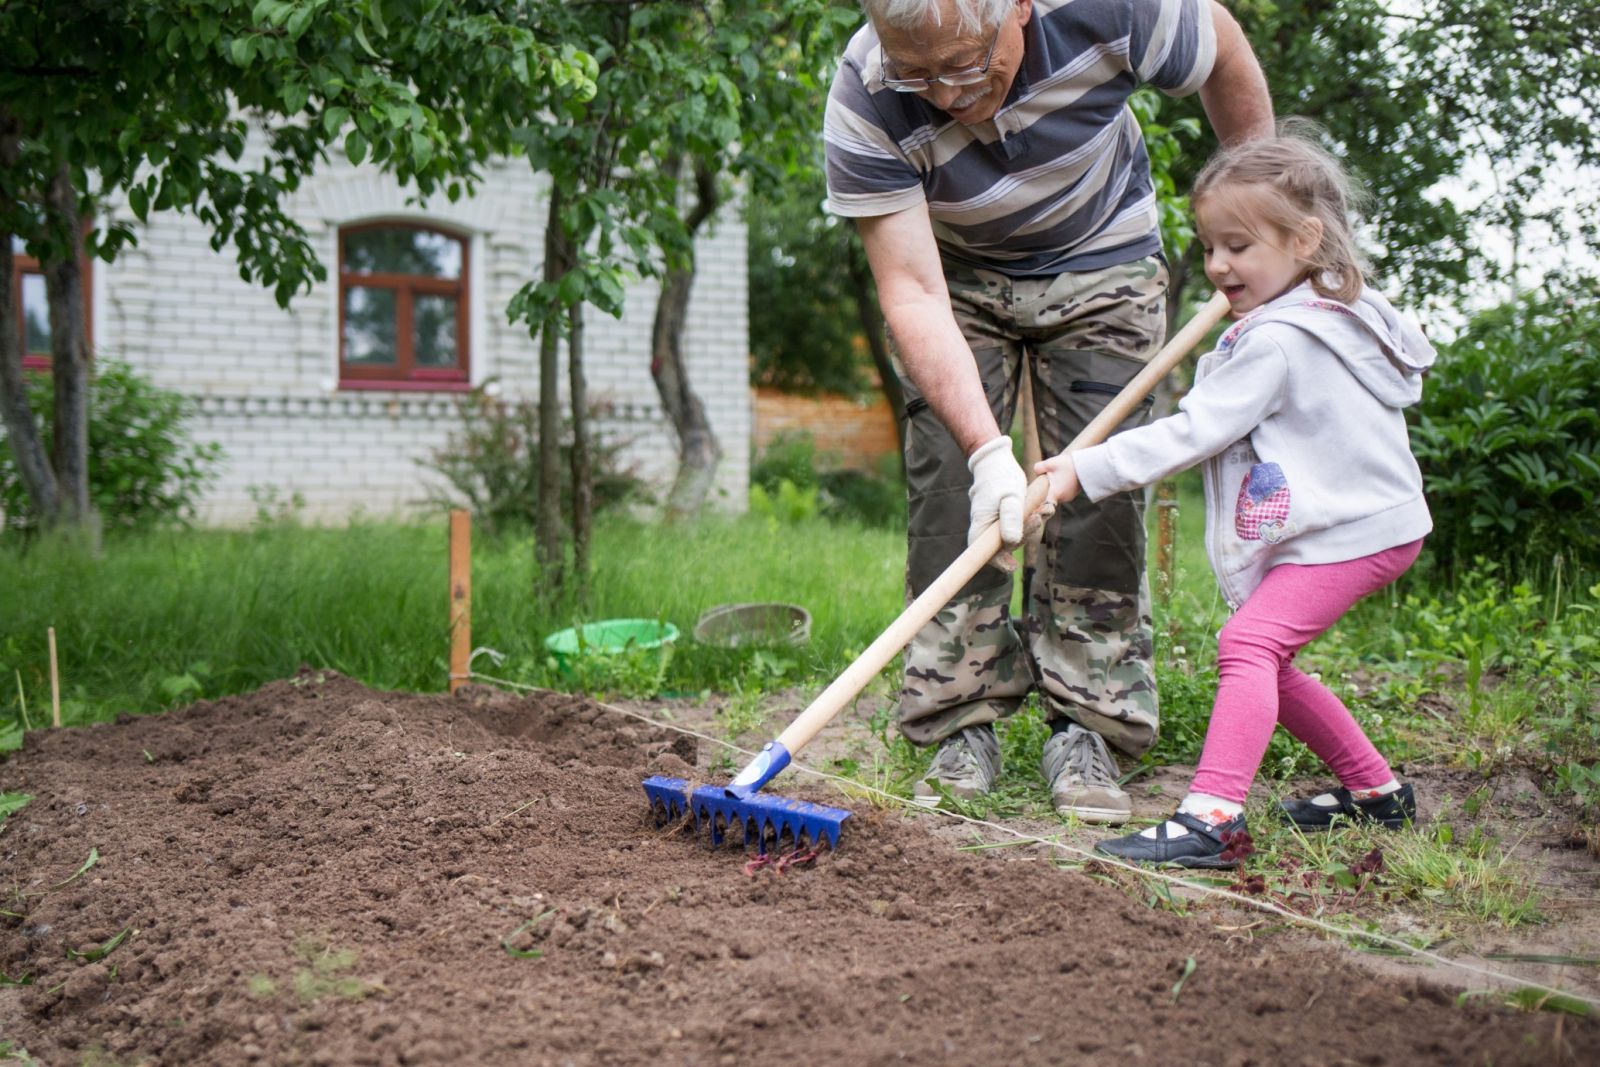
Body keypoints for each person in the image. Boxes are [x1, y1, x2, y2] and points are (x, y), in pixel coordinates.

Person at [824, 0, 1273, 822]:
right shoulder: (865, 91)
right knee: (953, 496)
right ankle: (959, 719)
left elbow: (1226, 51)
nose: (945, 95)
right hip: (951, 279)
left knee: (1098, 493)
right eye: (916, 74)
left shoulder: (1116, 8)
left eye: (963, 64)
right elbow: (913, 290)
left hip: (1103, 255)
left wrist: (1259, 217)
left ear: (1021, 8)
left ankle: (1091, 721)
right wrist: (986, 450)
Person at [1035, 124, 1435, 868]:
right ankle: (1377, 794)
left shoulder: (1280, 340)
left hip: (1357, 530)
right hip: (1370, 522)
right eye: (1210, 245)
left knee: (1248, 643)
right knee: (1267, 656)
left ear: (1306, 240)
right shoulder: (1321, 316)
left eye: (1239, 246)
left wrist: (1081, 468)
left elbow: (1195, 433)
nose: (1218, 264)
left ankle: (1212, 817)